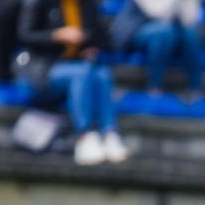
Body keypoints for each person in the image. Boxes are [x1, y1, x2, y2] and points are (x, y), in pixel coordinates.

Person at [16, 0, 130, 165]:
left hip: (79, 65)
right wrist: (56, 35)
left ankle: (109, 133)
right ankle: (85, 135)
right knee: (82, 73)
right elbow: (24, 34)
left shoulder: (87, 5)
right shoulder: (39, 3)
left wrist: (91, 47)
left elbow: (104, 39)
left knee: (102, 74)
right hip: (44, 69)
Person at [117, 0, 205, 94]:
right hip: (138, 31)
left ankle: (196, 90)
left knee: (191, 35)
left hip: (173, 33)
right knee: (163, 33)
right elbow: (158, 14)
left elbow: (190, 20)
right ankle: (154, 87)